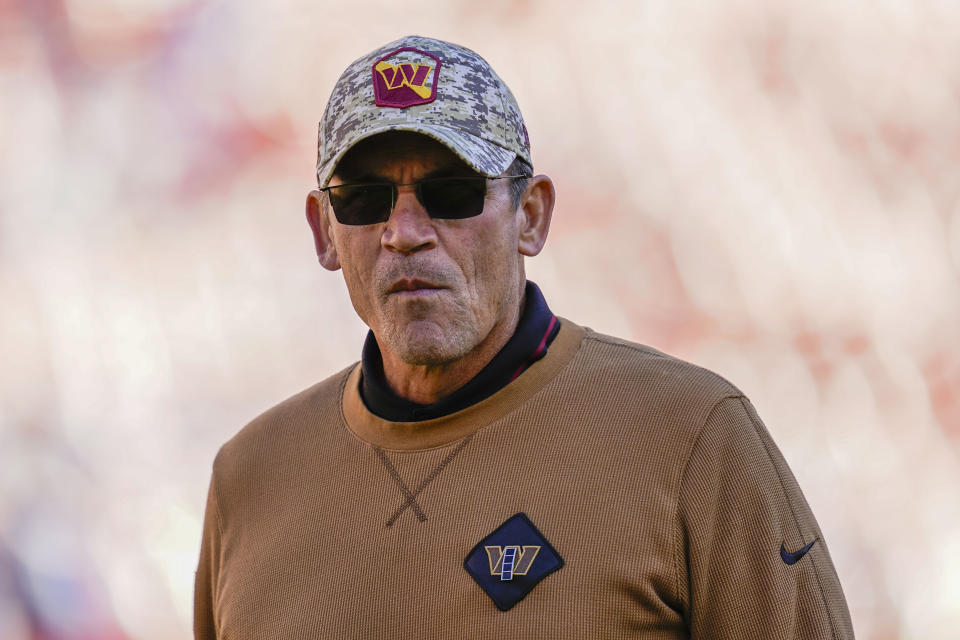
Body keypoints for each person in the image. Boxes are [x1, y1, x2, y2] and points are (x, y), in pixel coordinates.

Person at [194, 35, 855, 639]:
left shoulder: (692, 436)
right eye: (363, 200)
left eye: (450, 192)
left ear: (531, 215)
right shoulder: (248, 479)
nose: (404, 232)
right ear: (324, 232)